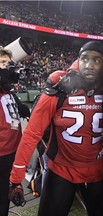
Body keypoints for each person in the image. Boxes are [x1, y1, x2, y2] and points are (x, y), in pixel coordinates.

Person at [9, 41, 103, 216]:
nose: (89, 65)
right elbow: (32, 134)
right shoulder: (60, 86)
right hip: (62, 169)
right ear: (78, 60)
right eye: (85, 59)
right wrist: (16, 178)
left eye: (96, 60)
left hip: (97, 170)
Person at [0, 47, 24, 216]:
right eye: (2, 63)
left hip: (13, 152)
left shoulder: (8, 92)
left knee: (4, 197)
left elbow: (23, 112)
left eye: (9, 63)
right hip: (0, 153)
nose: (7, 67)